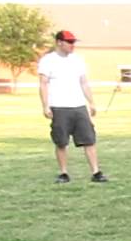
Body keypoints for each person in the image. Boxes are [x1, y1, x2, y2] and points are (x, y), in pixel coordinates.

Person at [38, 30, 106, 183]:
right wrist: (45, 106)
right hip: (59, 107)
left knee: (89, 139)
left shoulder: (77, 60)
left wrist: (91, 102)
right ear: (59, 42)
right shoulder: (48, 61)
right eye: (69, 42)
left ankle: (96, 172)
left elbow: (84, 82)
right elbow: (43, 84)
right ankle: (63, 173)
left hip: (78, 106)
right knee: (61, 142)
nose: (72, 45)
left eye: (73, 42)